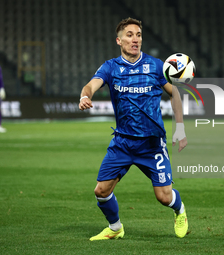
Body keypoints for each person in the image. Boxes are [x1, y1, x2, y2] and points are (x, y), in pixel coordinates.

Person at [79, 17, 188, 240]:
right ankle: (116, 228)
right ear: (119, 40)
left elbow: (175, 92)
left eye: (138, 35)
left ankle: (180, 210)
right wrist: (84, 96)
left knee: (164, 197)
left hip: (151, 143)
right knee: (101, 191)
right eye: (129, 35)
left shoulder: (156, 65)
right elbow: (91, 85)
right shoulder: (110, 67)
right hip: (123, 143)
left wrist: (180, 127)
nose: (135, 39)